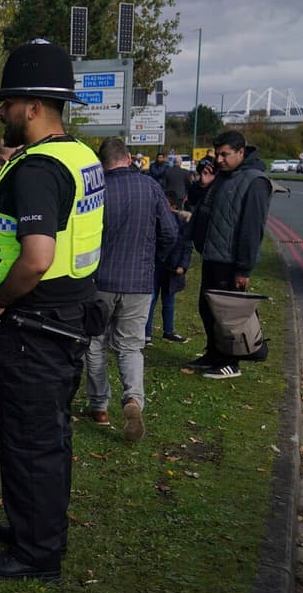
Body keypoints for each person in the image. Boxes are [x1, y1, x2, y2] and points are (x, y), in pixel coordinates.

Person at [0, 40, 105, 582]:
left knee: (32, 440)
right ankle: (31, 524)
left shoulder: (35, 170)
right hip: (69, 318)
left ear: (31, 106)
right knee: (45, 435)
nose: (2, 113)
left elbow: (36, 257)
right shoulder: (81, 155)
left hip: (34, 324)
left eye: (7, 103)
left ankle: (37, 553)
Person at [82, 138, 176, 443]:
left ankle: (99, 407)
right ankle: (134, 400)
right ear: (129, 158)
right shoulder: (150, 187)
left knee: (95, 345)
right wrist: (152, 259)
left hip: (99, 282)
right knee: (130, 347)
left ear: (102, 163)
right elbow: (170, 232)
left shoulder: (97, 191)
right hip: (138, 282)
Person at [187, 130, 273, 379]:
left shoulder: (255, 181)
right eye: (217, 154)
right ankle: (214, 354)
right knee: (207, 308)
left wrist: (243, 269)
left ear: (241, 152)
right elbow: (196, 203)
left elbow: (251, 227)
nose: (219, 159)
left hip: (230, 260)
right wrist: (203, 185)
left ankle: (231, 362)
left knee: (229, 316)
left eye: (225, 154)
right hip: (213, 255)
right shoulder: (223, 177)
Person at [145, 190, 194, 346]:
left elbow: (187, 245)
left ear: (172, 206)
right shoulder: (152, 220)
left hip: (172, 267)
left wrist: (182, 265)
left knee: (169, 300)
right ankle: (146, 334)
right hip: (155, 264)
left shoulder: (182, 222)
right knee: (150, 299)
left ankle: (168, 331)